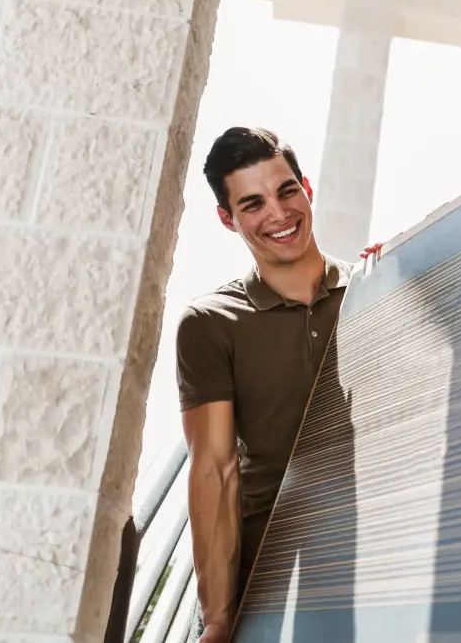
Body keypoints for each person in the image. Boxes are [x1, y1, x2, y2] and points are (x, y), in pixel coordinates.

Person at [176, 127, 382, 642]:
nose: (278, 213)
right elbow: (214, 469)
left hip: (376, 561)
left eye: (286, 191)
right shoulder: (210, 322)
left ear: (306, 188)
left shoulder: (373, 288)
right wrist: (219, 617)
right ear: (228, 219)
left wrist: (404, 265)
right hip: (267, 581)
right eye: (252, 203)